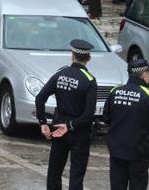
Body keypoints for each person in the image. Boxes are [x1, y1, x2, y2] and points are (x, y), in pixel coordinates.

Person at [34, 39, 97, 190]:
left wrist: (43, 122)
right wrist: (70, 125)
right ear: (88, 58)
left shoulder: (60, 74)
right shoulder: (89, 80)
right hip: (79, 131)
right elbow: (88, 114)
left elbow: (40, 98)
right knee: (76, 175)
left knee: (54, 172)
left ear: (72, 55)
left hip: (58, 128)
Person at [103, 59, 149, 190]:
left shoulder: (115, 91)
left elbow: (106, 118)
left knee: (117, 185)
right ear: (144, 74)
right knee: (138, 184)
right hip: (139, 151)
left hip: (116, 149)